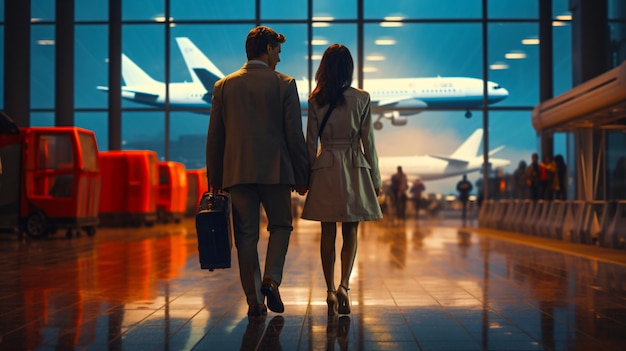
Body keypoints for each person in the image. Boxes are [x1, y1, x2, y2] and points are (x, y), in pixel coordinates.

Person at [206, 25, 310, 318]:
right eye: (277, 50)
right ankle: (271, 279)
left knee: (246, 236)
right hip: (276, 171)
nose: (279, 57)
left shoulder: (223, 86)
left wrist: (215, 179)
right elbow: (294, 136)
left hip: (237, 172)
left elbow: (215, 137)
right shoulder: (284, 84)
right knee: (280, 226)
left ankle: (254, 301)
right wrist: (303, 176)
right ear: (267, 49)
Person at [300, 44, 383, 316]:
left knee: (327, 232)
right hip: (353, 166)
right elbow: (368, 141)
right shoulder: (362, 98)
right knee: (351, 230)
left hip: (325, 167)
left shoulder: (315, 101)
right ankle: (344, 286)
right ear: (349, 68)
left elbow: (310, 143)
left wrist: (305, 177)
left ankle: (328, 291)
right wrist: (376, 177)